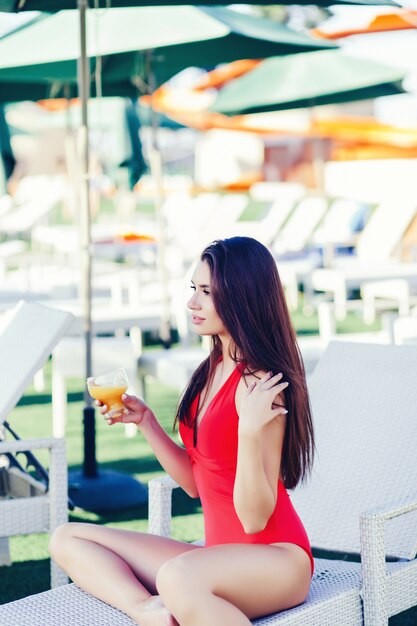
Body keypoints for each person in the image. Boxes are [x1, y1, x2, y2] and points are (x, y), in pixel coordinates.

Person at [49, 236, 315, 626]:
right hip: (214, 557)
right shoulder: (210, 371)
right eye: (194, 288)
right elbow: (196, 482)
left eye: (207, 292)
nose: (192, 302)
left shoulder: (261, 385)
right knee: (67, 538)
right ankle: (148, 611)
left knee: (175, 576)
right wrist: (147, 423)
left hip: (276, 560)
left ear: (242, 296)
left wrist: (251, 431)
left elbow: (255, 519)